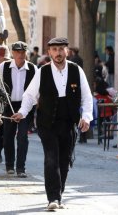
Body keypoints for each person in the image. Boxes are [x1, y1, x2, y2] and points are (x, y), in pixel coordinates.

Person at [11, 37, 93, 210]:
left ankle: (58, 194)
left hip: (69, 123)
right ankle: (53, 198)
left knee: (64, 160)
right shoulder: (43, 72)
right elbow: (29, 96)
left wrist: (86, 117)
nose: (58, 53)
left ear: (67, 51)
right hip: (47, 123)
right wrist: (22, 112)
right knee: (51, 159)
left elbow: (86, 96)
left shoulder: (76, 70)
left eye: (61, 49)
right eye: (54, 50)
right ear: (49, 53)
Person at [0, 41, 38, 179]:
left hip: (26, 106)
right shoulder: (3, 67)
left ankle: (21, 168)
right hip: (8, 106)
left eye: (23, 52)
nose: (20, 55)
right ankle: (10, 165)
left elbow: (37, 91)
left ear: (26, 53)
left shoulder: (33, 69)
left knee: (23, 137)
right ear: (13, 53)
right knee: (8, 136)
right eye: (17, 52)